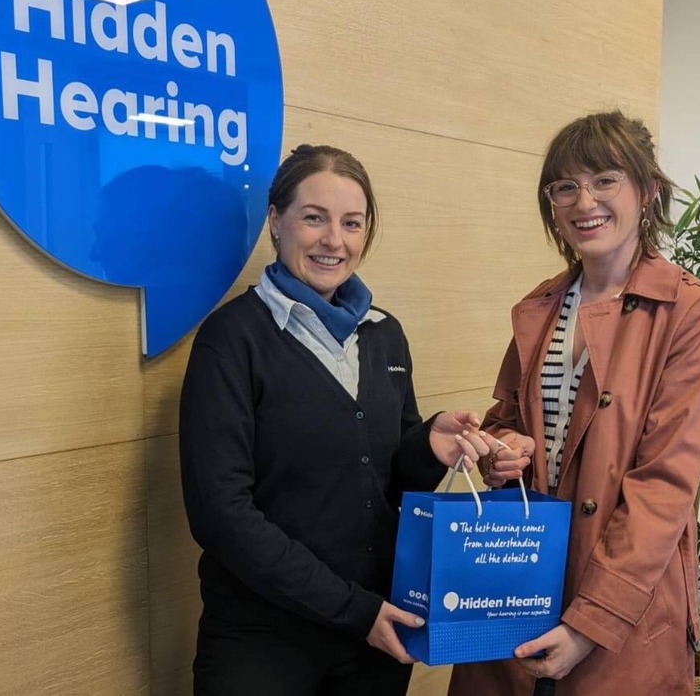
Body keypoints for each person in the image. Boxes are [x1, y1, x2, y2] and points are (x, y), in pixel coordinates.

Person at [179, 144, 511, 696]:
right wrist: (354, 609)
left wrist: (428, 447)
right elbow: (221, 514)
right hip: (263, 644)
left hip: (373, 644)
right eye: (315, 218)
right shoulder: (232, 340)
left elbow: (391, 482)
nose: (335, 240)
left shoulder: (384, 334)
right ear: (275, 222)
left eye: (352, 223)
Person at [449, 111, 700, 696]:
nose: (585, 201)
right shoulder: (541, 305)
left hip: (624, 592)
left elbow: (665, 483)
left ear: (647, 190)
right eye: (566, 186)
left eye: (605, 179)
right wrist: (504, 449)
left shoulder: (693, 311)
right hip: (520, 572)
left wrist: (590, 624)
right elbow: (509, 422)